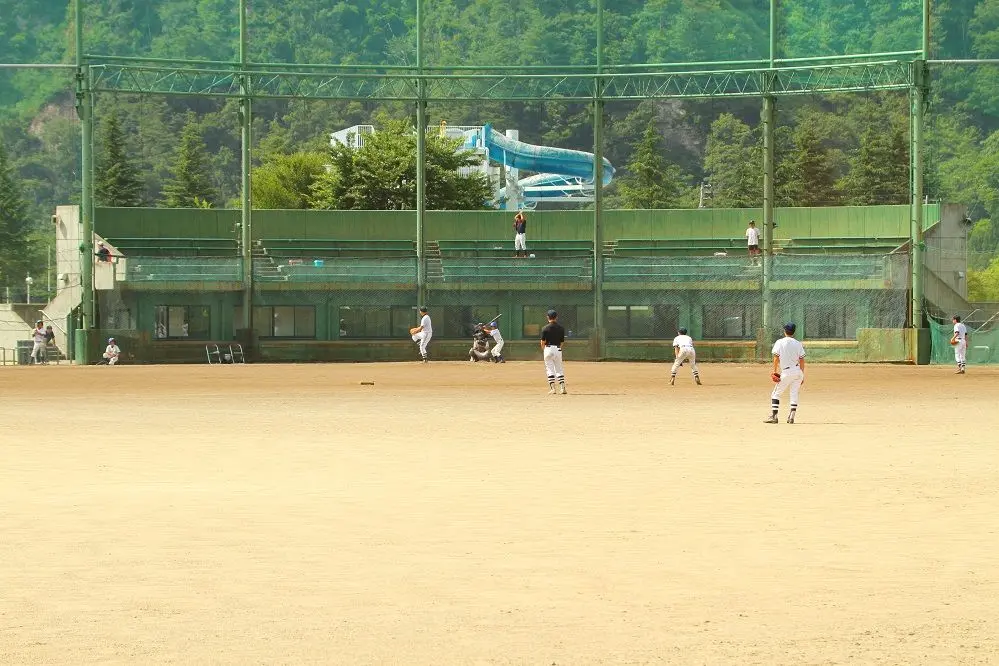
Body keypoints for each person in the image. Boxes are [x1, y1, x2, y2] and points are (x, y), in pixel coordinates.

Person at [766, 322, 806, 424]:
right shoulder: (798, 343)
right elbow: (801, 360)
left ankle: (774, 417)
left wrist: (774, 371)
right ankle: (792, 416)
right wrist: (802, 375)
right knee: (794, 393)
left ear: (784, 331)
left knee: (775, 394)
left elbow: (776, 357)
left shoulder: (779, 342)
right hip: (797, 371)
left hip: (787, 372)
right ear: (794, 332)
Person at [540, 309, 567, 395]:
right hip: (558, 349)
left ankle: (553, 389)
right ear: (556, 317)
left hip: (548, 349)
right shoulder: (561, 328)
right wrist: (558, 349)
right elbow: (562, 342)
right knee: (559, 369)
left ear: (548, 317)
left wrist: (545, 349)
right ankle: (562, 388)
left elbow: (542, 342)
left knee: (549, 369)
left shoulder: (544, 328)